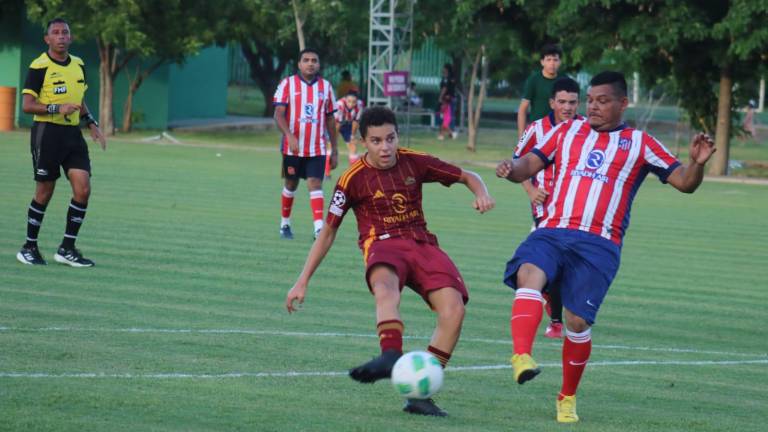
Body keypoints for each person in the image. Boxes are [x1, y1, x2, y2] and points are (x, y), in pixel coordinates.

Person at [496, 71, 716, 423]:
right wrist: (511, 169)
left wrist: (696, 164)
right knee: (529, 275)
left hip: (599, 243)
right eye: (590, 101)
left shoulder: (641, 143)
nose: (593, 107)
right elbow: (528, 165)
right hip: (553, 230)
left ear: (622, 103)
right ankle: (521, 356)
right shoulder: (566, 131)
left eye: (602, 101)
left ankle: (566, 397)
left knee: (577, 321)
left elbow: (685, 184)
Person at [285, 106, 495, 417]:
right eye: (376, 141)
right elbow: (328, 231)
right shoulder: (351, 180)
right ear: (363, 141)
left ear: (398, 136)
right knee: (385, 288)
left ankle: (420, 392)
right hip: (382, 245)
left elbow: (468, 176)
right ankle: (390, 354)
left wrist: (482, 192)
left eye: (390, 138)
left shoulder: (415, 160)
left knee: (454, 311)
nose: (385, 147)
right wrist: (302, 280)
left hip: (422, 243)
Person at [16, 17, 106, 267]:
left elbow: (80, 97)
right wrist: (58, 107)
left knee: (83, 189)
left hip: (72, 135)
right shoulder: (39, 66)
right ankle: (29, 247)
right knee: (45, 191)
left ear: (71, 37)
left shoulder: (78, 64)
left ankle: (66, 248)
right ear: (47, 39)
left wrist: (90, 121)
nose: (61, 36)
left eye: (65, 32)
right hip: (47, 133)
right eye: (55, 33)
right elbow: (27, 106)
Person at [511, 77, 583, 339]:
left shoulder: (587, 129)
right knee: (547, 263)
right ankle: (555, 320)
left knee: (565, 267)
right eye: (562, 102)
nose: (567, 107)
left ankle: (558, 312)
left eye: (572, 102)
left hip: (576, 210)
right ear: (552, 102)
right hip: (546, 210)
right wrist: (531, 191)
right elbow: (517, 162)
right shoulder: (537, 129)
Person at [273, 48, 338, 240]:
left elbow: (331, 121)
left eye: (314, 60)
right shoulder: (287, 84)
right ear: (299, 64)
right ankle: (285, 224)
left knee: (315, 183)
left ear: (319, 65)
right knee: (291, 184)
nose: (311, 63)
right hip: (292, 148)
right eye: (306, 60)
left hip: (317, 147)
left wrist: (334, 150)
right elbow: (278, 114)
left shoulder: (326, 87)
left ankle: (319, 228)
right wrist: (289, 136)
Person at [517, 44, 565, 140]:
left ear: (560, 62)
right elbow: (522, 109)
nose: (552, 63)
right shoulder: (533, 80)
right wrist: (521, 137)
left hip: (559, 131)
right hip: (537, 131)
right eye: (548, 60)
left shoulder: (564, 80)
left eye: (555, 60)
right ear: (542, 62)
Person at [334, 90, 364, 166]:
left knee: (353, 146)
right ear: (345, 99)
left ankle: (353, 172)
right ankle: (326, 173)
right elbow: (337, 124)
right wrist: (333, 138)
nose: (351, 104)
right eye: (349, 101)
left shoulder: (360, 105)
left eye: (354, 102)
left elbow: (355, 121)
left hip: (347, 124)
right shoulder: (339, 105)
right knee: (331, 145)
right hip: (334, 124)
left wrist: (352, 136)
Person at [437, 63, 457, 140]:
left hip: (447, 100)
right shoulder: (451, 78)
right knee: (446, 118)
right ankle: (444, 134)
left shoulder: (447, 78)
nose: (442, 70)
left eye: (444, 68)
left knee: (446, 118)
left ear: (447, 69)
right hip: (449, 99)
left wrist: (440, 97)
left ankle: (450, 133)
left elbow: (444, 89)